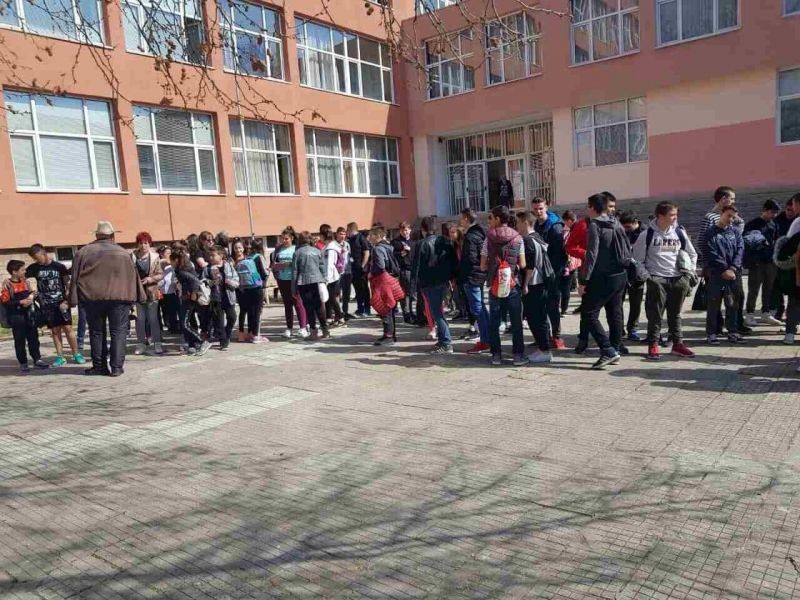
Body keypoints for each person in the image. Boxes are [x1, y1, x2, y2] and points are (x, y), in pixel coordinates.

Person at [69, 221, 145, 376]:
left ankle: (99, 366)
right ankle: (116, 367)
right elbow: (133, 276)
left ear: (97, 235)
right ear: (112, 236)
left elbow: (74, 277)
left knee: (96, 332)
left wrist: (72, 299)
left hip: (92, 297)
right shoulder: (123, 253)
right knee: (119, 331)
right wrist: (138, 296)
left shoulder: (83, 252)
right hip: (119, 298)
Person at [632, 202, 698, 360]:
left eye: (676, 214)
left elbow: (692, 254)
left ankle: (678, 344)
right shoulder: (647, 235)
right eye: (672, 215)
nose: (675, 217)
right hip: (657, 279)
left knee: (676, 314)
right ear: (660, 216)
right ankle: (653, 344)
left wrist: (689, 274)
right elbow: (637, 260)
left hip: (678, 279)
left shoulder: (679, 232)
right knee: (655, 315)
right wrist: (648, 277)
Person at [582, 193, 630, 370]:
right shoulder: (615, 222)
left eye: (588, 206)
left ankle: (607, 349)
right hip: (620, 274)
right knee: (615, 313)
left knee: (589, 313)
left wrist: (584, 279)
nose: (587, 209)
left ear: (593, 207)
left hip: (603, 276)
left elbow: (592, 254)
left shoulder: (595, 225)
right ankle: (615, 349)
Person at [697, 186, 750, 336]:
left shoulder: (733, 216)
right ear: (723, 199)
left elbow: (738, 241)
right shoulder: (710, 218)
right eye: (732, 198)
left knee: (736, 297)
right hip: (716, 267)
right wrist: (710, 264)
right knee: (715, 299)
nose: (733, 201)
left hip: (733, 267)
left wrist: (733, 267)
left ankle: (735, 327)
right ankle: (715, 329)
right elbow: (702, 242)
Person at [481, 205, 527, 366]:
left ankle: (496, 355)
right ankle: (518, 355)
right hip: (512, 284)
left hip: (495, 285)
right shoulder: (518, 237)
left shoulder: (488, 238)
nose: (490, 221)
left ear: (498, 219)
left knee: (494, 321)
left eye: (491, 217)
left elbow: (482, 266)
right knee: (516, 321)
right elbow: (523, 264)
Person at [26, 243, 84, 367]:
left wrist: (67, 300)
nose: (36, 260)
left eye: (37, 257)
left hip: (61, 303)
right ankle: (60, 357)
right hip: (47, 305)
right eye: (34, 259)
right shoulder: (34, 268)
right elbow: (22, 277)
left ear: (43, 253)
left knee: (68, 328)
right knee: (55, 330)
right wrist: (31, 291)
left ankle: (76, 354)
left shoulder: (59, 266)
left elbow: (68, 284)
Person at [412, 216, 457, 354]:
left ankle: (446, 343)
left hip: (429, 282)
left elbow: (416, 266)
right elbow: (453, 260)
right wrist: (452, 278)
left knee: (437, 313)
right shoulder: (445, 241)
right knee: (438, 312)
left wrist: (413, 286)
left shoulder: (422, 244)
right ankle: (443, 340)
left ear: (423, 229)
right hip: (443, 280)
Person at [704, 205, 745, 345]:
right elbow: (710, 252)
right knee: (714, 304)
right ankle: (711, 333)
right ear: (721, 214)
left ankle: (733, 331)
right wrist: (724, 269)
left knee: (733, 304)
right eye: (728, 216)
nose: (731, 219)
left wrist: (732, 268)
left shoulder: (735, 232)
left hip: (734, 274)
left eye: (734, 217)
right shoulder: (710, 233)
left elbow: (740, 250)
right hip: (717, 274)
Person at [517, 212, 552, 364]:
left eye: (518, 222)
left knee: (535, 318)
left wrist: (525, 285)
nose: (516, 226)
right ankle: (543, 347)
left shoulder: (527, 240)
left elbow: (530, 267)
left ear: (525, 222)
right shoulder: (538, 236)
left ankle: (544, 350)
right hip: (542, 282)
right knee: (540, 316)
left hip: (534, 283)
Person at [531, 197, 567, 350]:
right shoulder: (536, 224)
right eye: (535, 209)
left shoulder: (554, 226)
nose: (538, 211)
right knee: (541, 305)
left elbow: (559, 253)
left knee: (552, 305)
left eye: (540, 208)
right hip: (541, 271)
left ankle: (557, 336)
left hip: (553, 272)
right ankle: (544, 336)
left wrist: (555, 273)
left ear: (546, 207)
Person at [1, 260, 50, 372]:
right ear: (14, 272)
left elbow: (31, 293)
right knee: (19, 340)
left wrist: (33, 295)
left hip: (29, 315)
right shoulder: (7, 284)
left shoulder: (25, 282)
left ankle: (37, 359)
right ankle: (23, 363)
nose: (25, 272)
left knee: (33, 338)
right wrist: (20, 302)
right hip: (16, 316)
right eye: (22, 270)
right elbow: (5, 302)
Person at [743, 199, 782, 326]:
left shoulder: (774, 224)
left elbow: (777, 241)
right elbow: (747, 243)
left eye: (776, 212)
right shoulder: (752, 224)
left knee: (769, 288)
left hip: (770, 262)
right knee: (754, 289)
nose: (774, 215)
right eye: (772, 212)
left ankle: (766, 313)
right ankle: (749, 314)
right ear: (764, 210)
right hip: (757, 262)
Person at [458, 208, 490, 354]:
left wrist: (463, 274)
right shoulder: (480, 233)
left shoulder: (471, 236)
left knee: (478, 309)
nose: (460, 221)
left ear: (466, 218)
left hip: (472, 277)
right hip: (479, 275)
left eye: (461, 218)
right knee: (481, 307)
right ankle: (488, 337)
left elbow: (470, 259)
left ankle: (485, 341)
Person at [270, 228, 309, 339]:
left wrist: (289, 264)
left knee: (298, 303)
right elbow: (273, 263)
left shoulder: (296, 248)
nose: (284, 241)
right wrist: (275, 267)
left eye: (286, 238)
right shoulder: (278, 249)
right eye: (282, 238)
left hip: (294, 280)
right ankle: (289, 328)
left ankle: (303, 327)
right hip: (282, 280)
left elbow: (301, 262)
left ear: (292, 238)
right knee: (287, 304)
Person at [173, 246, 212, 356]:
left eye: (171, 260)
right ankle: (193, 344)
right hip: (186, 298)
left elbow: (194, 281)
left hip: (189, 299)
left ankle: (202, 341)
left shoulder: (182, 271)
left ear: (176, 260)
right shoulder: (183, 268)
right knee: (186, 323)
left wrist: (194, 293)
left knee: (184, 324)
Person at [369, 225, 404, 346]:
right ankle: (391, 334)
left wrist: (371, 273)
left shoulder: (378, 249)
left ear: (377, 236)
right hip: (391, 278)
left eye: (371, 235)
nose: (370, 238)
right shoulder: (388, 246)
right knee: (391, 307)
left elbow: (380, 266)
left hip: (382, 281)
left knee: (385, 307)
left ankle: (388, 336)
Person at [131, 232, 164, 356]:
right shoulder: (132, 256)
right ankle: (141, 343)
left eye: (146, 243)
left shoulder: (155, 257)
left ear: (149, 244)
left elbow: (160, 274)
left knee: (153, 318)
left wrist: (151, 279)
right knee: (140, 319)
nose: (143, 245)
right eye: (141, 243)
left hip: (151, 291)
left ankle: (157, 342)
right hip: (137, 292)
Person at [292, 231, 329, 339]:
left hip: (303, 282)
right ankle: (325, 330)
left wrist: (293, 288)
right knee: (319, 306)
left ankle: (313, 331)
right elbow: (322, 267)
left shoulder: (297, 253)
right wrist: (325, 280)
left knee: (309, 308)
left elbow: (294, 272)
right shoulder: (317, 251)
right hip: (317, 280)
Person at [233, 239, 268, 343]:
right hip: (256, 287)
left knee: (248, 311)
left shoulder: (236, 260)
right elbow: (263, 274)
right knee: (256, 312)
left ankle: (248, 334)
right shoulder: (255, 257)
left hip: (243, 289)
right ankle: (255, 336)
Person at [618, 211, 645, 343]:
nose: (626, 230)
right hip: (622, 272)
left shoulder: (645, 233)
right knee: (618, 302)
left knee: (635, 304)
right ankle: (619, 328)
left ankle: (633, 329)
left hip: (637, 274)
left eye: (628, 227)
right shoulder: (621, 231)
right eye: (624, 227)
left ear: (635, 222)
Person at [204, 246, 238, 351]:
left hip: (228, 296)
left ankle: (227, 334)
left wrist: (230, 282)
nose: (211, 257)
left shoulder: (228, 266)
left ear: (221, 255)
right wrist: (211, 282)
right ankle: (223, 342)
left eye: (213, 255)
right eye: (209, 255)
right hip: (216, 298)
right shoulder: (208, 268)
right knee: (219, 321)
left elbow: (236, 279)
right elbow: (203, 281)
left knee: (232, 317)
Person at [773, 197, 797, 323]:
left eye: (792, 210)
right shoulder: (777, 221)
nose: (790, 212)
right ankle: (779, 310)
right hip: (781, 259)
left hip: (794, 259)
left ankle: (792, 314)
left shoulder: (797, 222)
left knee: (793, 288)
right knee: (779, 287)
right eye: (788, 210)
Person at [322, 225, 345, 327]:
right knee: (328, 298)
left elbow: (329, 264)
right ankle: (329, 318)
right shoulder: (331, 246)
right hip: (332, 276)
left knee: (331, 298)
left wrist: (327, 279)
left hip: (331, 277)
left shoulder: (330, 248)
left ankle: (340, 317)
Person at [392, 222, 415, 324]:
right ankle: (407, 314)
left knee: (412, 293)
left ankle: (411, 312)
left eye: (406, 230)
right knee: (405, 294)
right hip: (403, 270)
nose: (405, 232)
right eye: (402, 230)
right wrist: (401, 253)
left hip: (413, 269)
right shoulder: (395, 242)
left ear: (410, 230)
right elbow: (392, 255)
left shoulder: (413, 242)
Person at [348, 222, 372, 318]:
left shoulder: (361, 238)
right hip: (353, 268)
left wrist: (363, 266)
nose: (347, 232)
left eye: (348, 230)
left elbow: (366, 253)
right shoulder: (351, 240)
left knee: (364, 289)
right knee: (357, 289)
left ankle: (367, 309)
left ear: (351, 229)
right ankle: (360, 308)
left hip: (361, 269)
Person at [561, 210, 580, 315]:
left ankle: (563, 308)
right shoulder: (576, 229)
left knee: (565, 287)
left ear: (569, 220)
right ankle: (564, 308)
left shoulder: (567, 231)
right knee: (566, 287)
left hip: (569, 262)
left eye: (565, 221)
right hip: (574, 261)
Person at [336, 227, 354, 322]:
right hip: (338, 273)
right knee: (337, 293)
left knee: (347, 293)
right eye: (341, 234)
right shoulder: (334, 245)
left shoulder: (347, 244)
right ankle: (338, 313)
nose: (342, 236)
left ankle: (345, 311)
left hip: (348, 271)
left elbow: (349, 256)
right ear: (337, 234)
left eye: (344, 234)